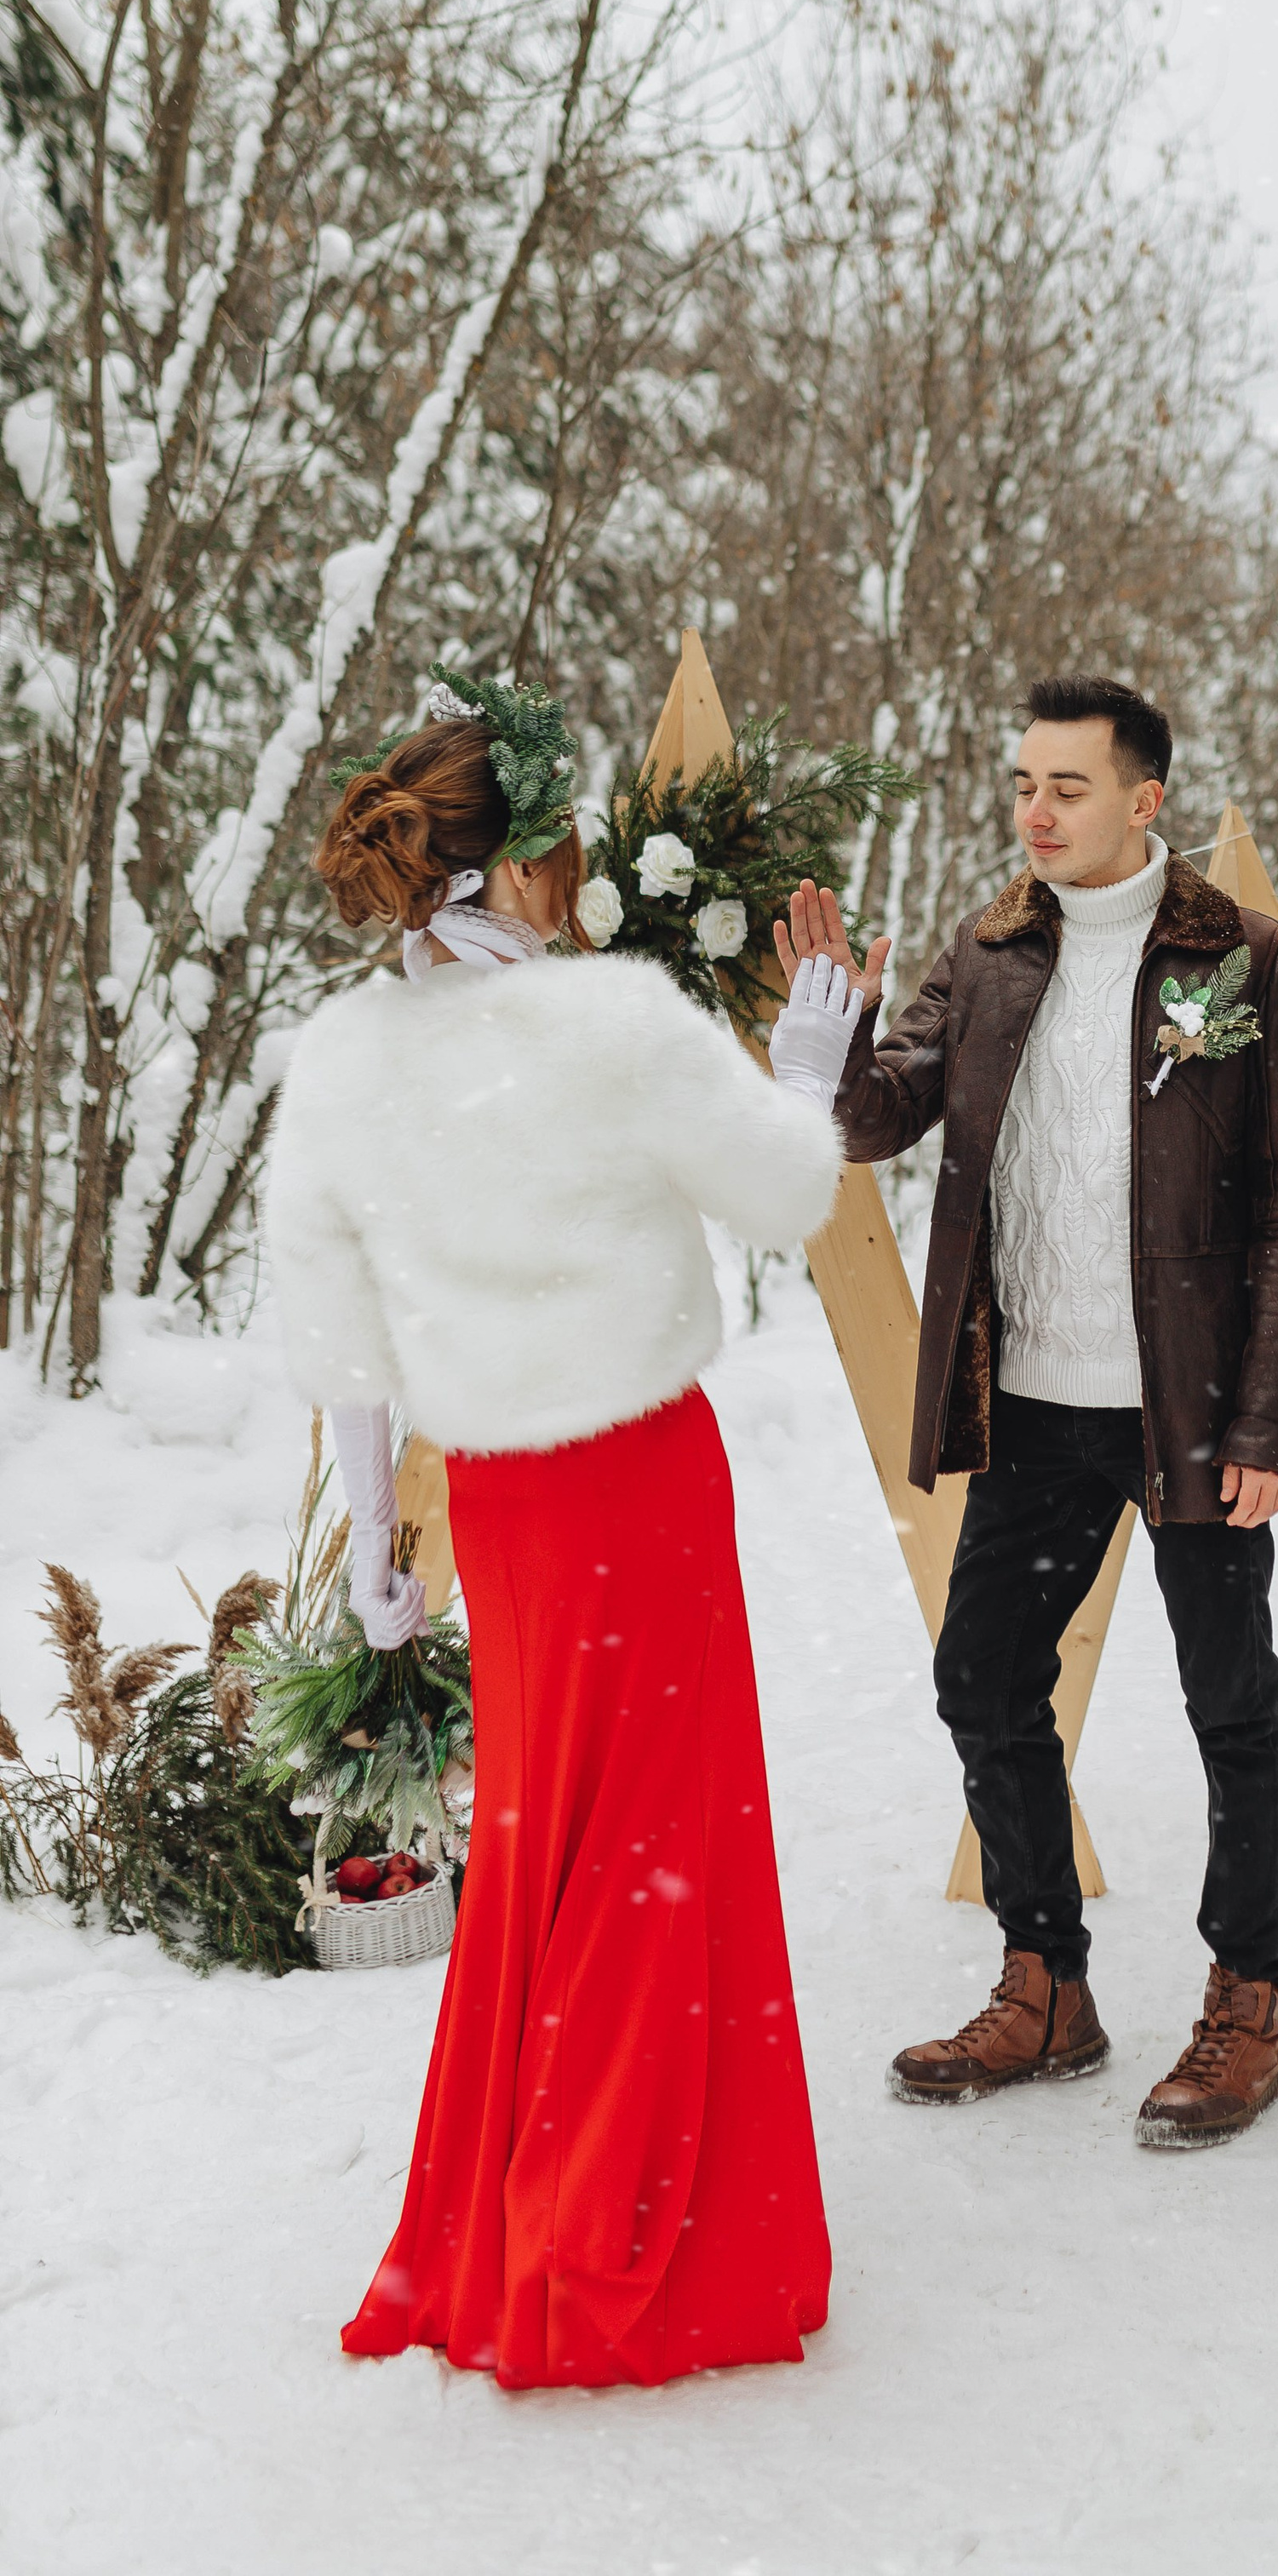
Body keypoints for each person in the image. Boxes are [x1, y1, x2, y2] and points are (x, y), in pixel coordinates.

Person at [266, 667, 862, 2389]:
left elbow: (342, 1336)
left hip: (504, 1513)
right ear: (529, 866)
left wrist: (382, 1549)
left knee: (547, 1853)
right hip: (636, 1486)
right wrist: (808, 1049)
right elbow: (782, 1187)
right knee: (656, 1859)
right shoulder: (608, 1026)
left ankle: (525, 2208)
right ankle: (619, 2247)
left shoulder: (345, 1058)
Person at [769, 673, 1278, 2150]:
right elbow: (876, 1121)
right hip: (1030, 1403)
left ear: (1145, 801)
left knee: (1231, 1702)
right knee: (983, 1682)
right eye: (1024, 780)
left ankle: (1246, 2002)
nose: (1035, 808)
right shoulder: (992, 950)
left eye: (1068, 786)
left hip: (1193, 1415)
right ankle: (1046, 1983)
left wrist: (1274, 1428)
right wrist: (830, 1032)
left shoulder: (1249, 963)